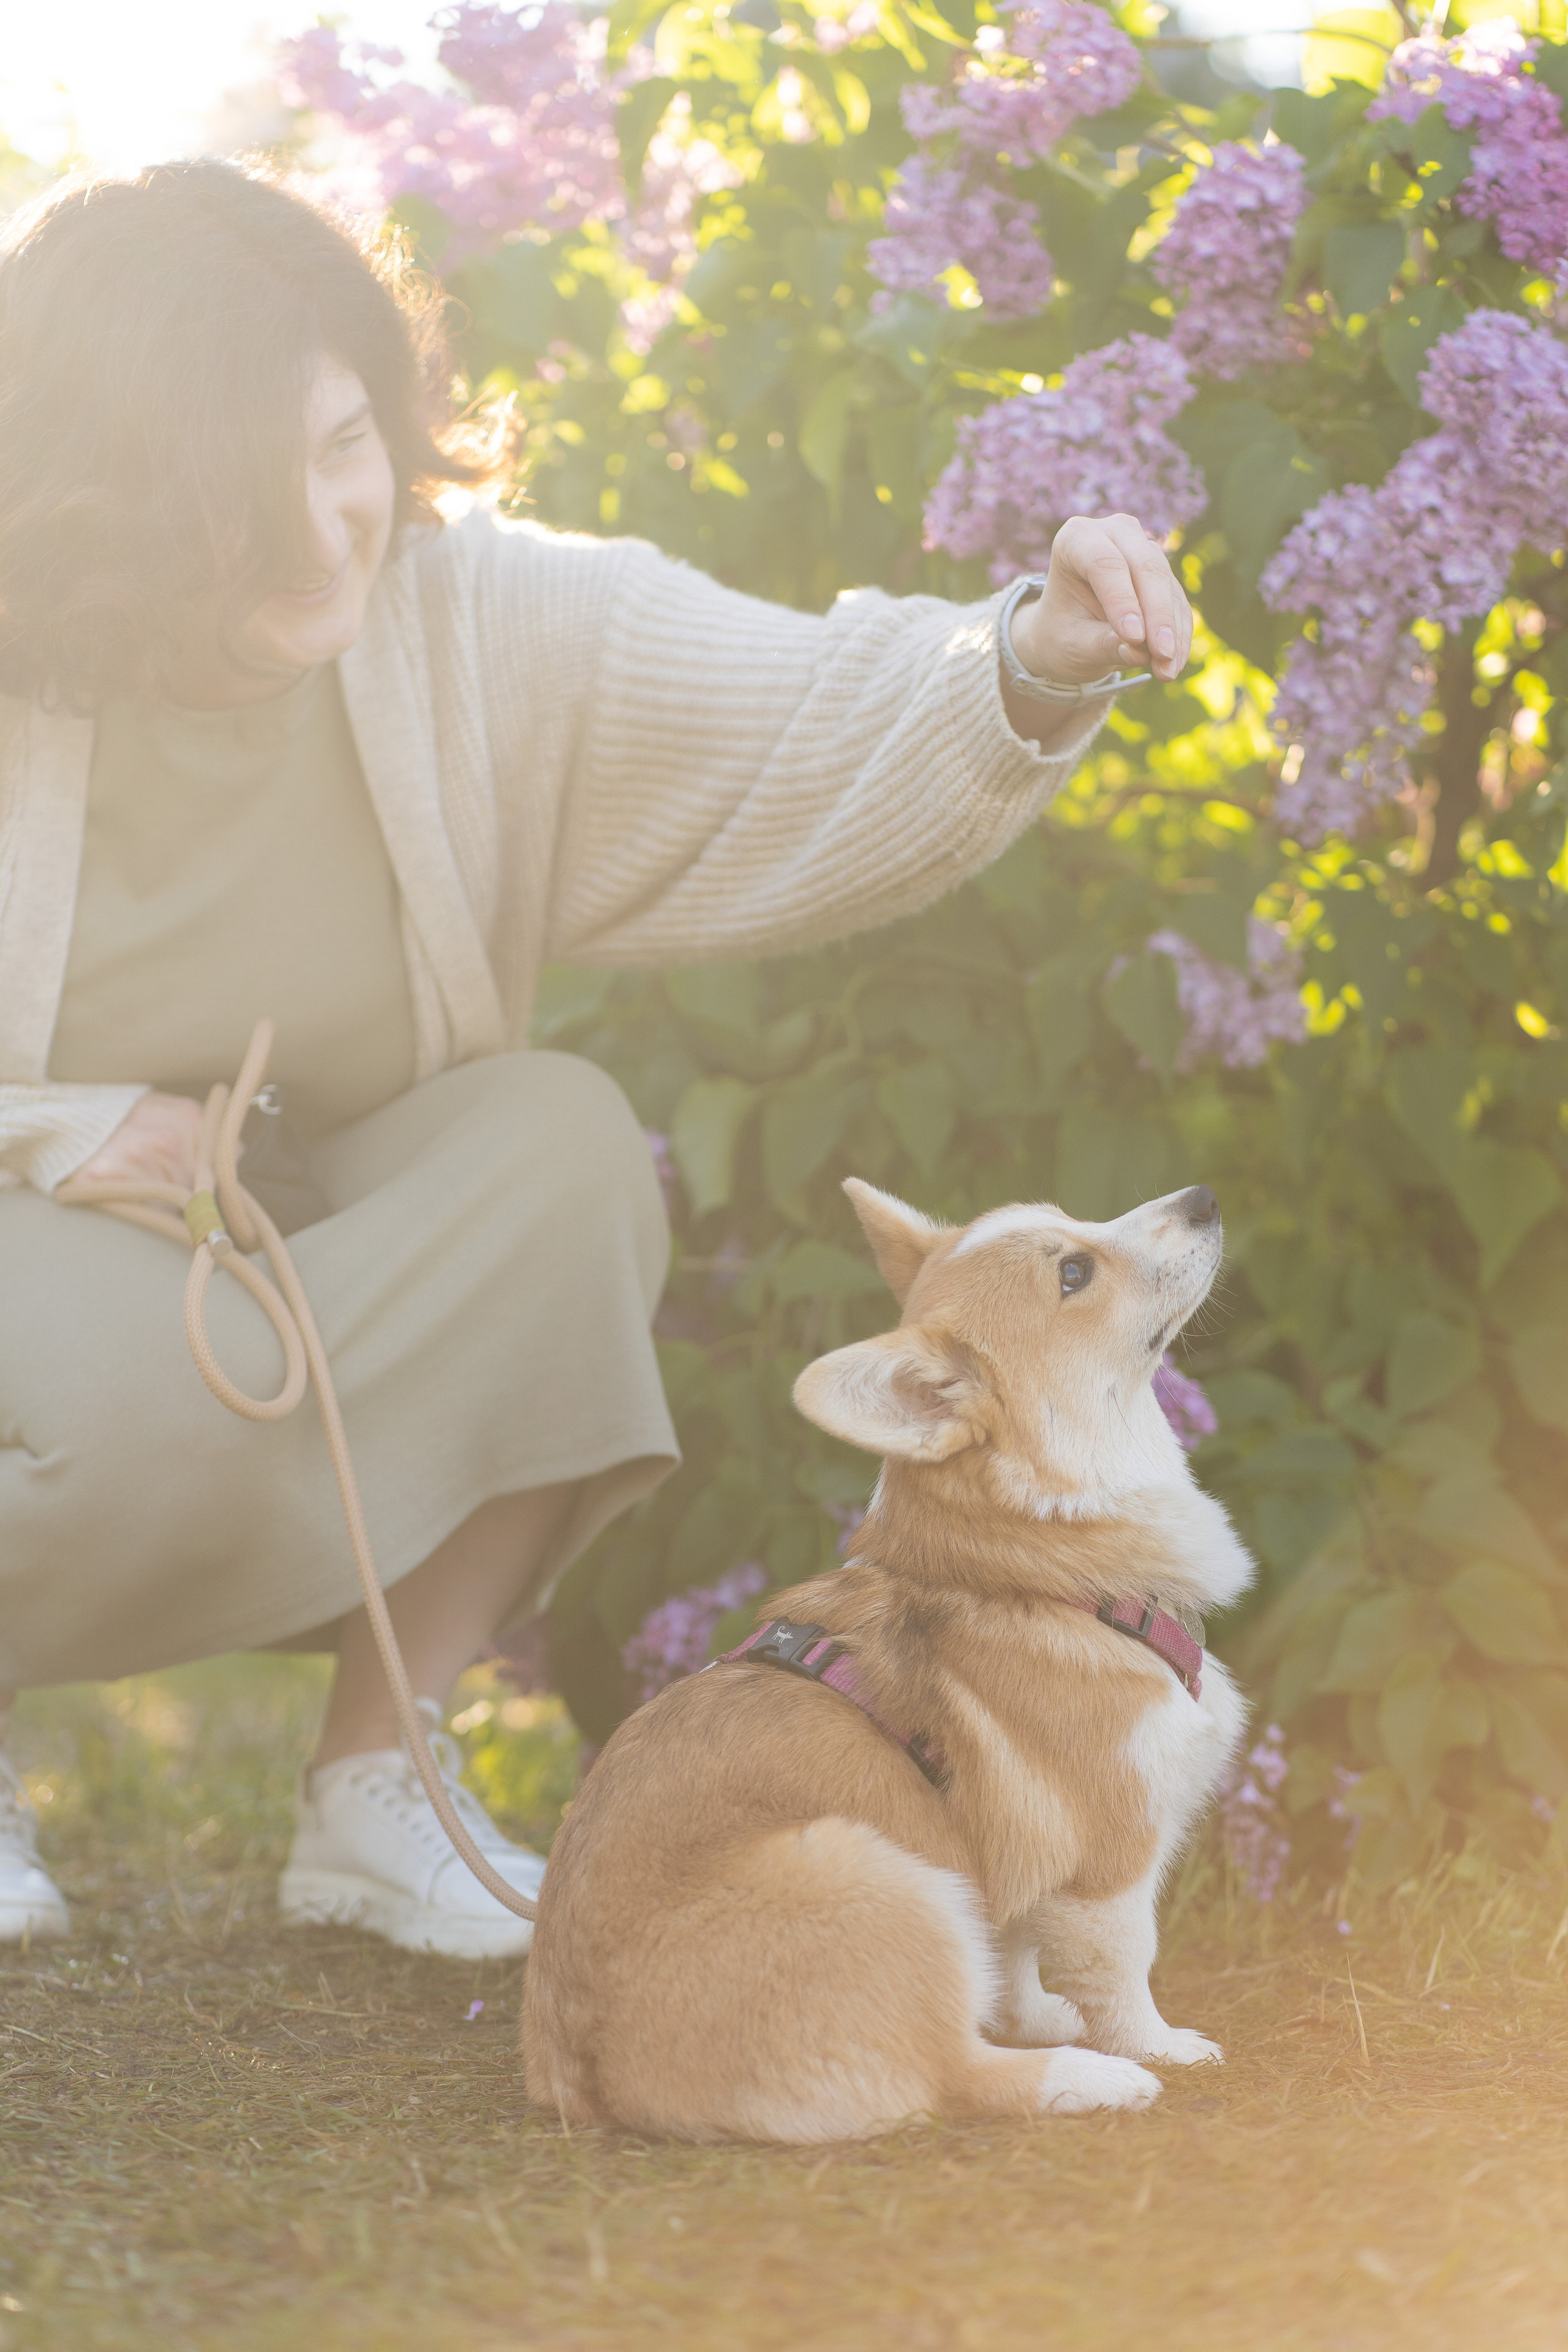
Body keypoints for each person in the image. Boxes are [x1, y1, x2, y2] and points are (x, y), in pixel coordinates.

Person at [0, 160, 1193, 1958]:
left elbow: (802, 707)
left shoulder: (469, 613)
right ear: (110, 502)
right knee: (101, 1388)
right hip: (38, 1241)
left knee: (563, 1147)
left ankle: (380, 1777)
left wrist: (1031, 657)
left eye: (346, 443)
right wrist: (59, 1131)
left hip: (324, 1230)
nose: (326, 530)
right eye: (246, 491)